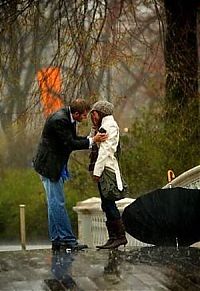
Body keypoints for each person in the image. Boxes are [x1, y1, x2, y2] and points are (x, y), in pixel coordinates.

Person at [33, 98, 107, 252]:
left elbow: (71, 140)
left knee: (53, 204)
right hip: (49, 166)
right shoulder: (60, 120)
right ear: (77, 113)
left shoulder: (68, 117)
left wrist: (90, 140)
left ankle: (57, 240)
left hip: (53, 165)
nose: (85, 118)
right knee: (57, 204)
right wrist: (92, 140)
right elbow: (70, 143)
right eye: (84, 115)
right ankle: (68, 240)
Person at [89, 100, 128, 249]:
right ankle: (113, 238)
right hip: (105, 168)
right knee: (106, 204)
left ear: (101, 113)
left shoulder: (108, 126)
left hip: (106, 169)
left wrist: (97, 172)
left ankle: (119, 237)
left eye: (94, 113)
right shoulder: (103, 126)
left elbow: (105, 151)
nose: (93, 116)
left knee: (109, 203)